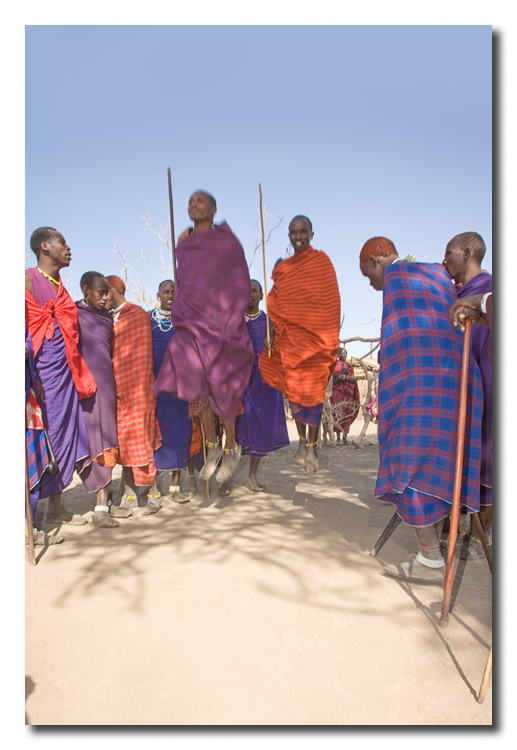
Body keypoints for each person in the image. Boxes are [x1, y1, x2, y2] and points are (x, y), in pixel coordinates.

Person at [359, 236, 483, 583]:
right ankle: (440, 545)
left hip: (422, 391)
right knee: (440, 462)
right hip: (461, 385)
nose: (372, 285)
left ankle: (430, 558)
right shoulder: (437, 274)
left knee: (408, 461)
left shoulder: (398, 279)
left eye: (369, 276)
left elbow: (401, 345)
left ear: (376, 259)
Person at [154, 191, 254, 486]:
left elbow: (238, 279)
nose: (193, 204)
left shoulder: (226, 241)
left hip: (221, 324)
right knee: (199, 386)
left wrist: (230, 316)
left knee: (223, 387)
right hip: (195, 323)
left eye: (200, 201)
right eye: (190, 202)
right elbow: (185, 283)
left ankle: (231, 446)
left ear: (213, 208)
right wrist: (184, 311)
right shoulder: (184, 244)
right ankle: (212, 447)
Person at [259, 215, 341, 474]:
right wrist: (271, 332)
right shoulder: (284, 269)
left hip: (317, 343)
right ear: (288, 236)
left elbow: (331, 301)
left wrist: (330, 338)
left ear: (311, 234)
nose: (298, 237)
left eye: (303, 232)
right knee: (294, 397)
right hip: (292, 343)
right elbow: (274, 303)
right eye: (293, 232)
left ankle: (312, 449)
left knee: (315, 396)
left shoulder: (322, 263)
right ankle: (303, 440)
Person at [25, 227, 95, 527]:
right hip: (36, 379)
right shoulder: (26, 280)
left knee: (64, 436)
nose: (68, 248)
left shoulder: (61, 287)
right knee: (37, 438)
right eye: (62, 242)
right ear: (45, 246)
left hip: (64, 377)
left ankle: (55, 507)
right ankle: (28, 517)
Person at [443, 232, 492, 557]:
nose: (445, 259)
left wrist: (476, 303)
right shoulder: (455, 293)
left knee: (489, 456)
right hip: (462, 385)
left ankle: (478, 537)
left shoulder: (489, 287)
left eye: (450, 253)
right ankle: (457, 525)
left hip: (489, 381)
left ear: (469, 252)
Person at [219, 280, 290, 495]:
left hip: (263, 385)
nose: (250, 295)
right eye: (246, 291)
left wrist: (274, 347)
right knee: (234, 434)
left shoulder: (270, 323)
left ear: (261, 296)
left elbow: (282, 354)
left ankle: (251, 477)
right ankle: (226, 478)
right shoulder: (232, 323)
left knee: (260, 433)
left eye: (255, 291)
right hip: (238, 385)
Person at [105, 275, 162, 516]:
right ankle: (128, 492)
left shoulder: (136, 314)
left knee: (141, 443)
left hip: (138, 390)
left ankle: (154, 495)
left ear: (111, 291)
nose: (102, 298)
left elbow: (141, 355)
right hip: (117, 391)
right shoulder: (109, 318)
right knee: (124, 442)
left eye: (104, 293)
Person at [75, 272, 120, 528]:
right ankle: (54, 508)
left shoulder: (107, 319)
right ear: (85, 290)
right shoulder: (72, 314)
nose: (105, 298)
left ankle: (102, 507)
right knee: (78, 444)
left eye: (107, 294)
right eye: (100, 293)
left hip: (106, 389)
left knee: (107, 442)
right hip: (80, 390)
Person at [150, 279, 198, 503]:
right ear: (158, 295)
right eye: (165, 292)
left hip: (180, 391)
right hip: (156, 389)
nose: (170, 295)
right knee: (155, 438)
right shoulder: (147, 320)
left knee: (181, 437)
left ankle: (175, 489)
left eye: (173, 293)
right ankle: (153, 488)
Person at [330, 347, 360, 444]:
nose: (344, 355)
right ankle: (338, 437)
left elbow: (353, 380)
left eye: (346, 353)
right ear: (338, 354)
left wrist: (348, 376)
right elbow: (332, 381)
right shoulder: (334, 365)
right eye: (342, 353)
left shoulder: (349, 366)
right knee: (338, 413)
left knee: (347, 414)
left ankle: (345, 437)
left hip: (348, 393)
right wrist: (341, 376)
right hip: (338, 393)